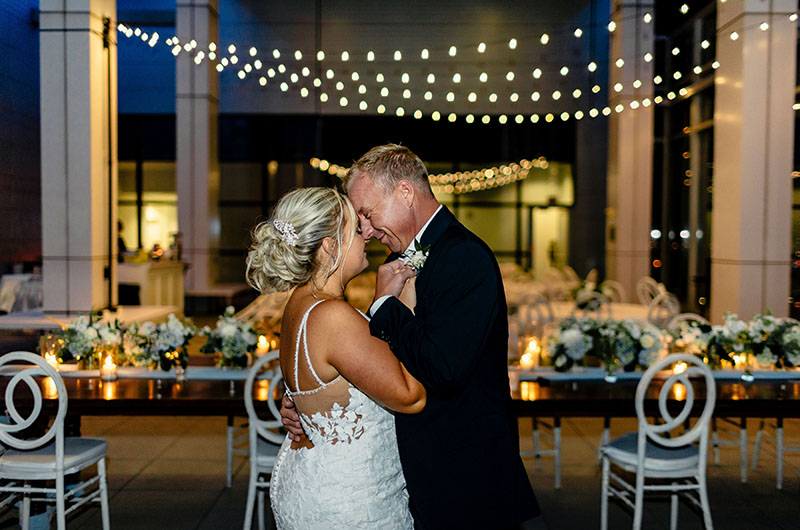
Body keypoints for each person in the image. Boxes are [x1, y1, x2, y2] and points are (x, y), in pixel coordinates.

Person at [282, 144, 540, 529]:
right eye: (359, 222)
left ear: (405, 193)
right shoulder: (395, 261)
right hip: (409, 479)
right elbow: (366, 358)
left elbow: (444, 371)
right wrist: (312, 403)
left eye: (367, 214)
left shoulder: (465, 257)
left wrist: (386, 307)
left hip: (464, 477)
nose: (366, 231)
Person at [246, 187, 425, 529]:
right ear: (330, 246)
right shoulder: (334, 317)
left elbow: (320, 384)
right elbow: (411, 397)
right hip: (351, 500)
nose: (366, 237)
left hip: (311, 480)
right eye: (356, 230)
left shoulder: (299, 303)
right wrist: (406, 312)